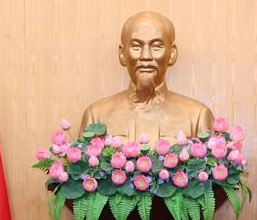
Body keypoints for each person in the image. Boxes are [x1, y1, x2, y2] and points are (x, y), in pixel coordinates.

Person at [79, 11, 214, 142]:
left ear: (172, 54)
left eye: (156, 47)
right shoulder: (96, 115)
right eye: (136, 46)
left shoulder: (197, 116)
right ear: (122, 53)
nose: (145, 56)